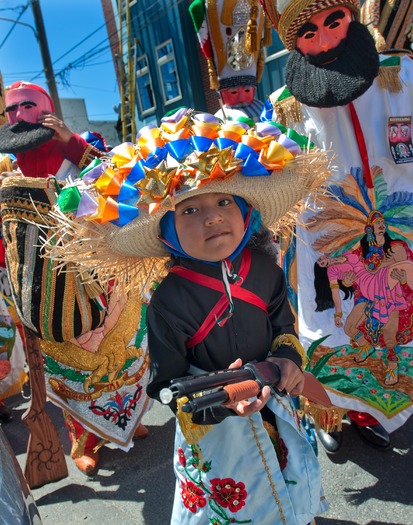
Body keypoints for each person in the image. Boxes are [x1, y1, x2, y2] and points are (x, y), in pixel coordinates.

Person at [38, 107, 332, 524]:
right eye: (189, 210)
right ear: (167, 234)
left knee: (294, 482)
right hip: (217, 430)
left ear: (247, 213)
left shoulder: (265, 269)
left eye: (224, 201)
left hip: (279, 404)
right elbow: (165, 387)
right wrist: (223, 401)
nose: (212, 216)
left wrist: (287, 361)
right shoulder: (168, 301)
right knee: (237, 504)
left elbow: (283, 324)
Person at [259, 0, 413, 452]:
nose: (326, 41)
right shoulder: (282, 110)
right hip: (326, 249)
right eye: (309, 34)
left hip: (401, 230)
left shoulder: (401, 75)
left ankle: (372, 409)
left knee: (395, 325)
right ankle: (328, 410)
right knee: (331, 328)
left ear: (351, 15)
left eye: (334, 23)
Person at [0, 81, 151, 476]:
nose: (17, 116)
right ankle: (86, 439)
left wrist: (72, 143)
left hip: (102, 272)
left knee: (120, 347)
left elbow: (119, 179)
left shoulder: (81, 145)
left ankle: (128, 419)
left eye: (27, 106)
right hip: (46, 286)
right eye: (11, 110)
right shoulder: (7, 169)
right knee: (72, 363)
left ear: (47, 109)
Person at [189, 0, 269, 123]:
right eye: (233, 92)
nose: (241, 98)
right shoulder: (217, 120)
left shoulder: (267, 111)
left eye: (247, 90)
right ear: (221, 92)